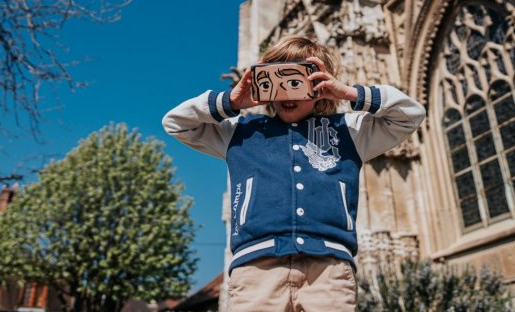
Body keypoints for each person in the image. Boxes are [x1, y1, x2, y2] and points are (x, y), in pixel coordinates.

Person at [162, 35, 426, 311]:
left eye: (298, 80)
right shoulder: (240, 131)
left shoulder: (348, 130)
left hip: (329, 270)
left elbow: (410, 114)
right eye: (277, 80)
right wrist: (231, 102)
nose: (288, 93)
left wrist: (349, 93)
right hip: (256, 270)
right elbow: (175, 122)